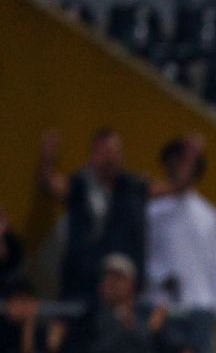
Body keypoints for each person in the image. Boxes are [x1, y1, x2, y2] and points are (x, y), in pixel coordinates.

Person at [146, 135, 216, 353]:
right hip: (163, 308)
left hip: (200, 309)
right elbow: (147, 257)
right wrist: (158, 281)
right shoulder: (152, 211)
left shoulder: (209, 214)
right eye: (178, 162)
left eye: (188, 164)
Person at [39, 127, 149, 302]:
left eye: (114, 152)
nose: (110, 158)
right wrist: (48, 158)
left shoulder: (131, 187)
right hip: (81, 285)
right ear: (94, 154)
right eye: (105, 152)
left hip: (121, 292)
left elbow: (167, 188)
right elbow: (52, 184)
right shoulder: (82, 185)